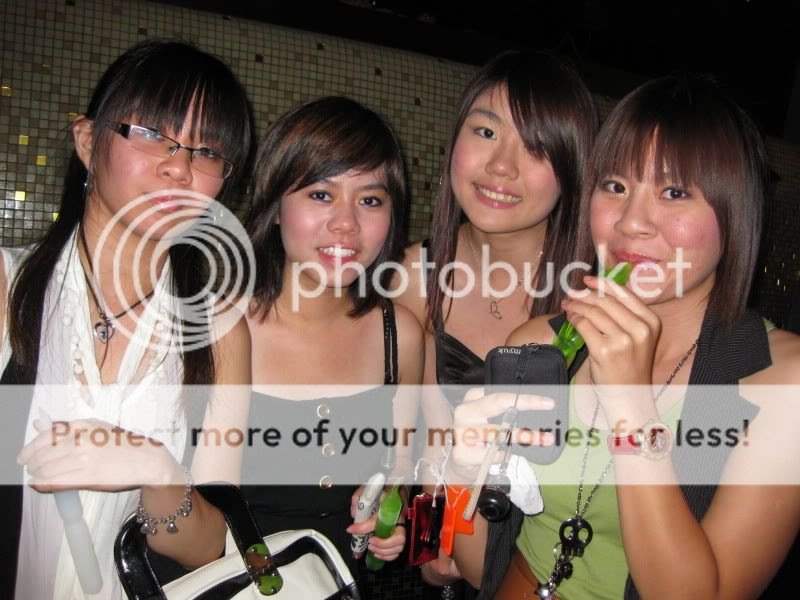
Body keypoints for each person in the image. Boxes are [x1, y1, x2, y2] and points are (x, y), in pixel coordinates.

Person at [448, 75, 800, 599]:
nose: (631, 222)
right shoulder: (542, 343)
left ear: (735, 212)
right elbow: (481, 568)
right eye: (614, 186)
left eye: (674, 192)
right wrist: (463, 473)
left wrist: (632, 407)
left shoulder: (780, 381)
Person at [1, 40, 253, 598]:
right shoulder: (8, 288)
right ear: (88, 142)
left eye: (208, 152)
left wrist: (156, 469)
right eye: (151, 133)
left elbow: (210, 546)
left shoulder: (219, 331)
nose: (179, 166)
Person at [392, 50, 597, 592]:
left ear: (572, 170)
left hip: (553, 564)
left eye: (536, 148)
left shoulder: (592, 297)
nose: (502, 166)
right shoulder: (414, 276)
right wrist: (430, 546)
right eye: (485, 132)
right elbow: (430, 443)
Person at [241, 96, 423, 581]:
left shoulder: (400, 335)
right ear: (275, 206)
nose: (346, 223)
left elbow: (401, 464)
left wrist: (390, 511)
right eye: (321, 194)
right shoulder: (222, 328)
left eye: (370, 200)